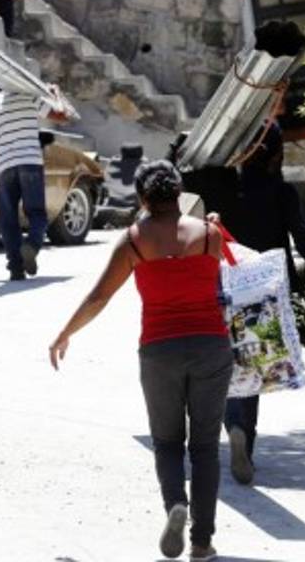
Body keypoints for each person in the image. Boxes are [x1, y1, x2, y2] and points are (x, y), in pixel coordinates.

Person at [49, 161, 231, 561]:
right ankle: (202, 543)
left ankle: (175, 507)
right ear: (179, 192)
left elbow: (98, 297)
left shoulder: (132, 241)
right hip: (211, 347)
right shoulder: (210, 236)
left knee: (166, 443)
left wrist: (66, 333)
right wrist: (210, 223)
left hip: (159, 351)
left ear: (143, 198)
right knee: (204, 447)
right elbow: (229, 269)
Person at [221, 122, 305, 485]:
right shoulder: (281, 193)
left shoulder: (222, 187)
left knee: (224, 364)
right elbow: (301, 239)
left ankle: (232, 424)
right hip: (263, 292)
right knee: (252, 366)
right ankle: (245, 442)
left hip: (223, 286)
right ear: (273, 156)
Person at [0, 81, 69, 282]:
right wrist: (55, 95)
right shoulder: (28, 98)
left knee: (8, 220)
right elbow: (61, 117)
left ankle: (16, 268)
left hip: (4, 168)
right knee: (37, 214)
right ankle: (32, 246)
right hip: (30, 163)